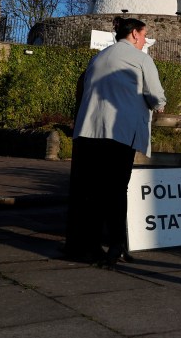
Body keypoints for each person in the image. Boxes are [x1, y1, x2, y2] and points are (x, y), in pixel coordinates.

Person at [65, 16, 167, 265]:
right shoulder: (141, 58)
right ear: (134, 34)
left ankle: (85, 245)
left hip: (88, 131)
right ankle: (116, 244)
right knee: (116, 190)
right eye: (144, 36)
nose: (144, 41)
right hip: (118, 132)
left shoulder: (98, 57)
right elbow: (156, 97)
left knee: (89, 191)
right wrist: (160, 105)